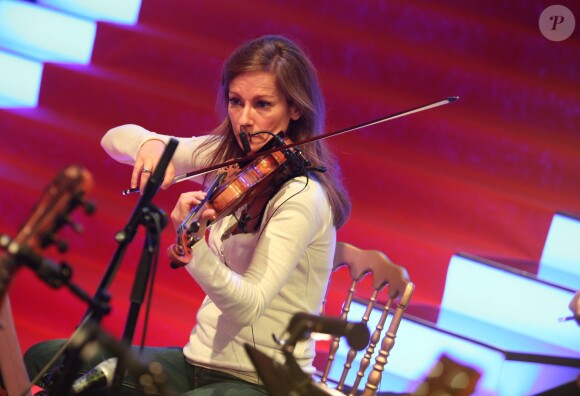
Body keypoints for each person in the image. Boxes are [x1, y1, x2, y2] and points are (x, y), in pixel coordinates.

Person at [24, 34, 351, 395]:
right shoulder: (227, 154)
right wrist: (150, 144)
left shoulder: (303, 196)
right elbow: (114, 140)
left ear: (295, 109)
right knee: (47, 359)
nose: (245, 119)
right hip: (196, 361)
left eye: (262, 104)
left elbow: (248, 307)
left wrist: (194, 251)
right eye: (235, 101)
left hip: (264, 381)